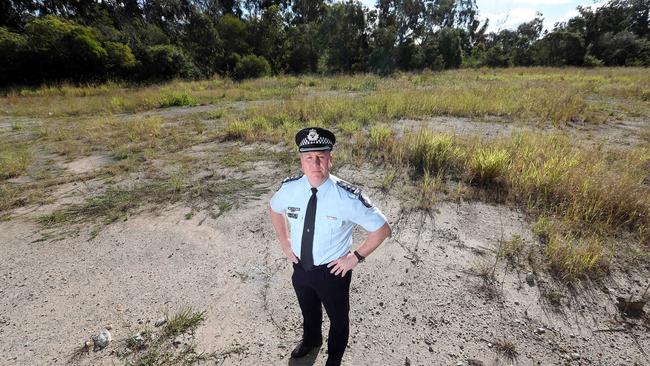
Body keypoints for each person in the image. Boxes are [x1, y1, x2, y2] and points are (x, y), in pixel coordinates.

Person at [269, 127, 392, 366]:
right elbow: (274, 209)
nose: (315, 164)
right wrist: (285, 243)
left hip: (333, 272)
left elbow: (382, 229)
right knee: (308, 308)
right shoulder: (289, 189)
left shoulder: (347, 197)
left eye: (321, 157)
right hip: (300, 267)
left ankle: (334, 357)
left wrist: (355, 257)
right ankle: (311, 340)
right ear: (301, 161)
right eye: (309, 158)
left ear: (330, 160)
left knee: (338, 319)